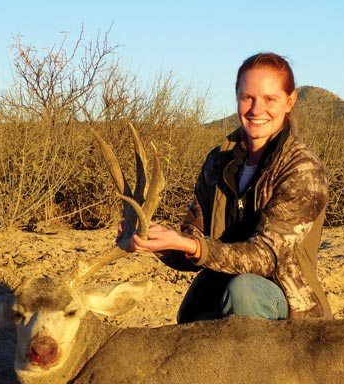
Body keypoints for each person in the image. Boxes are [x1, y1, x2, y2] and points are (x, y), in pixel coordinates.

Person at [129, 52, 331, 322]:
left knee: (244, 292)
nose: (256, 110)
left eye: (270, 99)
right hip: (220, 288)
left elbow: (265, 258)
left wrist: (194, 247)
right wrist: (156, 242)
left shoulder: (303, 169)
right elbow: (194, 238)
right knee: (192, 310)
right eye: (247, 97)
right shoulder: (218, 161)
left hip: (286, 306)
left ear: (290, 101)